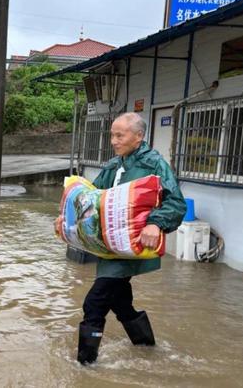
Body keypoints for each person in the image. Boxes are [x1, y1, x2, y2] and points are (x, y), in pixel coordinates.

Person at [77, 112, 186, 365]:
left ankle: (84, 366)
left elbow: (176, 203)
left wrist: (155, 224)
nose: (114, 141)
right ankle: (148, 349)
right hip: (110, 248)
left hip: (130, 247)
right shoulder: (115, 164)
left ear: (138, 136)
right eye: (112, 135)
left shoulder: (154, 164)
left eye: (119, 135)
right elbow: (91, 197)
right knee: (121, 302)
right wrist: (68, 219)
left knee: (94, 303)